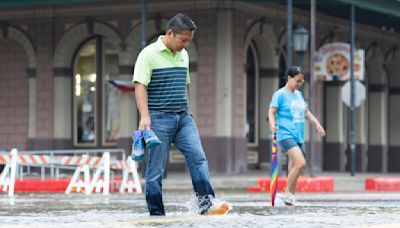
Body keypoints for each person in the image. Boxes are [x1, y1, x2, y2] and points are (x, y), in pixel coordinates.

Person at [133, 13, 226, 216]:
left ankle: (207, 205)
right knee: (156, 170)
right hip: (158, 118)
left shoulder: (183, 54)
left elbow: (185, 83)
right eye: (183, 40)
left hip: (183, 118)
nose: (186, 45)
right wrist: (145, 116)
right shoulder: (147, 55)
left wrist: (187, 109)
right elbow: (140, 86)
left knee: (198, 158)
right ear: (170, 33)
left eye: (189, 41)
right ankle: (157, 214)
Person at [268, 66, 326, 206]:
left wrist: (316, 123)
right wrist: (272, 125)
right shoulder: (280, 94)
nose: (299, 84)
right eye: (297, 81)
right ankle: (287, 192)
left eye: (301, 81)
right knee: (301, 163)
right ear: (289, 78)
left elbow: (306, 112)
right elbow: (271, 111)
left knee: (294, 166)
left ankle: (291, 196)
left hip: (299, 135)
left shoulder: (299, 95)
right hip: (285, 134)